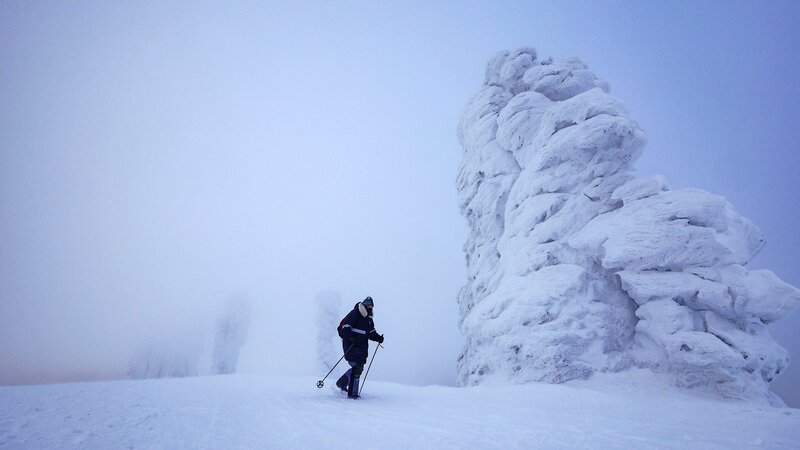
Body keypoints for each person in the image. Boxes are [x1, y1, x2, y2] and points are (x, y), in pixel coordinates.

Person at [335, 296, 384, 399]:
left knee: (359, 367)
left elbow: (371, 332)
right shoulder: (355, 314)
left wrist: (378, 338)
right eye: (368, 306)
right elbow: (345, 327)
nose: (370, 308)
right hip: (351, 345)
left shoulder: (369, 319)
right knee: (356, 368)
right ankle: (353, 395)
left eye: (371, 306)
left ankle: (341, 383)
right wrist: (351, 337)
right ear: (364, 305)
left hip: (362, 347)